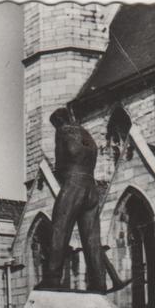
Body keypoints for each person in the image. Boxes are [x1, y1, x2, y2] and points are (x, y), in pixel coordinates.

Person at [42, 107, 107, 293]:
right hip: (91, 187)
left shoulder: (62, 132)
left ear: (58, 122)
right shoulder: (86, 133)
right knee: (92, 239)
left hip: (73, 184)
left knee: (59, 229)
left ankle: (53, 279)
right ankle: (99, 282)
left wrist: (62, 176)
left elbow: (61, 162)